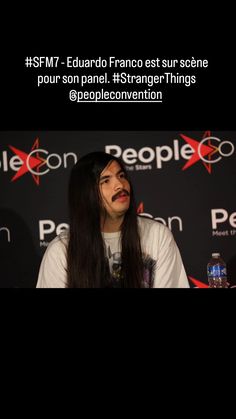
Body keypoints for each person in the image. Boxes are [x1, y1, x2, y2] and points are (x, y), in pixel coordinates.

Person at [36, 151, 189, 288]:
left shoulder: (158, 235)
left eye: (121, 176)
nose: (119, 185)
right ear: (85, 194)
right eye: (106, 180)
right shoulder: (61, 251)